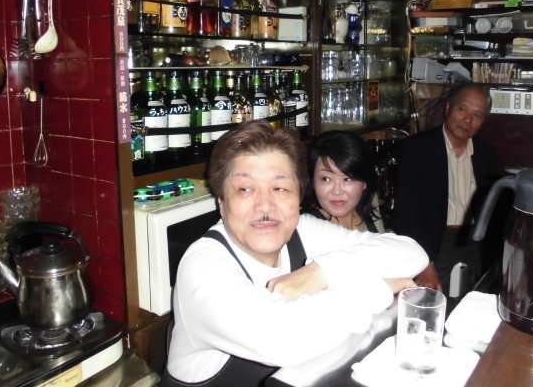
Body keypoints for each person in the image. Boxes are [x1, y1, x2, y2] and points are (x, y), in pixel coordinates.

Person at [161, 120, 428, 387]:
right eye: (245, 189)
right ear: (221, 202)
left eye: (280, 188)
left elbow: (411, 252)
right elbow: (283, 339)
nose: (265, 205)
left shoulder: (302, 230)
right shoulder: (202, 266)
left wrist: (321, 272)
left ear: (298, 197)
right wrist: (380, 288)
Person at [389, 83, 500, 293]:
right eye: (462, 109)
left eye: (477, 115)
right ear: (448, 108)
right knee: (431, 300)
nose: (468, 120)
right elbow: (407, 212)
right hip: (434, 240)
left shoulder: (486, 153)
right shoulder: (417, 148)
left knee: (480, 298)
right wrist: (426, 262)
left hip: (475, 239)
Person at [302, 130, 384, 232]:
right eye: (326, 179)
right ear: (313, 181)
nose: (337, 191)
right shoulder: (307, 227)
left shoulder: (370, 206)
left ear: (364, 182)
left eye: (347, 179)